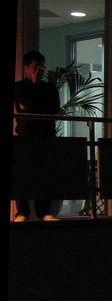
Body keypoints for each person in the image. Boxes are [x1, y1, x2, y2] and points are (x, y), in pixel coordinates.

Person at [13, 51, 61, 222]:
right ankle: (22, 212)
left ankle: (44, 211)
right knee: (23, 175)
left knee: (44, 175)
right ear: (26, 68)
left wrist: (32, 104)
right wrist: (33, 84)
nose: (39, 70)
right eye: (35, 67)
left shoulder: (49, 88)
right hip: (26, 137)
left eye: (41, 67)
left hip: (45, 136)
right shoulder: (18, 87)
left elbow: (54, 109)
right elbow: (25, 107)